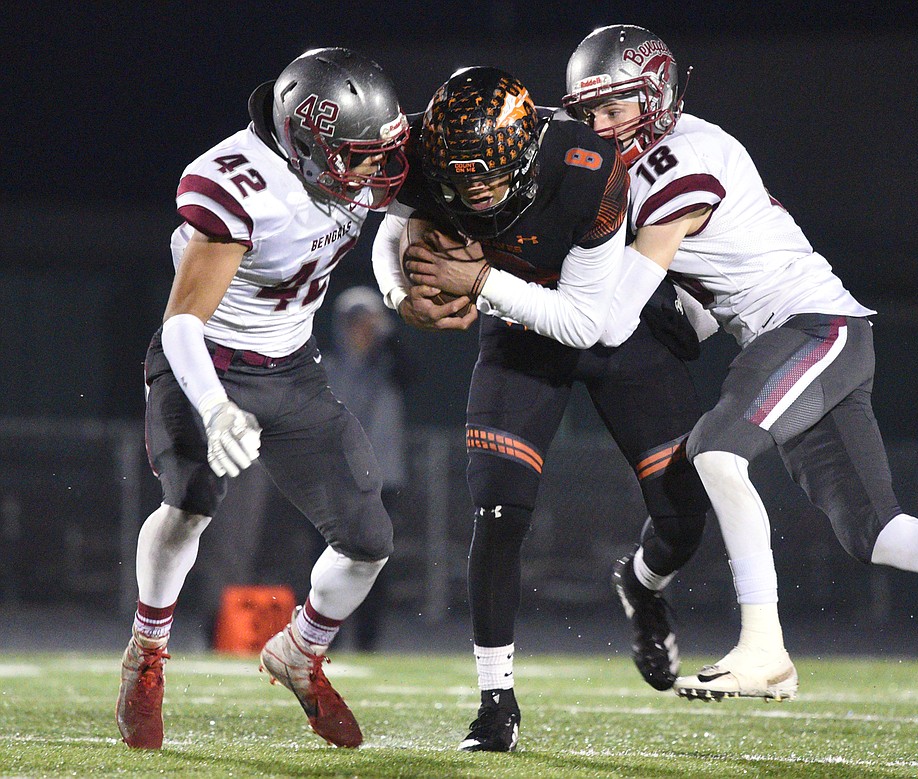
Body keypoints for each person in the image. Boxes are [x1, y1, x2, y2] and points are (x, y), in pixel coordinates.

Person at [559, 24, 918, 701]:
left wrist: (504, 286)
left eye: (615, 109)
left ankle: (764, 649)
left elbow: (611, 318)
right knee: (879, 531)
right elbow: (703, 293)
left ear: (658, 97)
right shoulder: (664, 159)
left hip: (816, 327)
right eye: (590, 113)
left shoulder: (679, 160)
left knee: (715, 451)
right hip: (809, 334)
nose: (602, 127)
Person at [372, 66, 711, 751]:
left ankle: (642, 585)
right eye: (460, 181)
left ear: (527, 152)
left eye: (490, 179)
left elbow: (587, 323)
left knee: (683, 518)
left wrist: (477, 278)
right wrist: (400, 297)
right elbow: (394, 232)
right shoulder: (419, 152)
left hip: (613, 320)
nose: (476, 194)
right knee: (498, 509)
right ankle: (496, 703)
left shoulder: (587, 168)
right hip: (518, 326)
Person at [115, 47, 410, 749]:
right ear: (307, 145)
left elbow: (407, 208)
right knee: (188, 506)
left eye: (381, 152)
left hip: (293, 368)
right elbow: (182, 322)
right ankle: (146, 652)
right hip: (207, 358)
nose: (375, 172)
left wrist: (401, 275)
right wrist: (215, 407)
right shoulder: (239, 185)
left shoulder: (362, 156)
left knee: (369, 539)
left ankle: (299, 652)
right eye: (358, 157)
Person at [321, 285, 418, 650]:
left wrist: (388, 334)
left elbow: (414, 372)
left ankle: (367, 641)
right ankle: (325, 636)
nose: (361, 330)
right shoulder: (327, 366)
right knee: (328, 559)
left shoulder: (391, 365)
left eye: (368, 323)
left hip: (382, 480)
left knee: (374, 562)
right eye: (355, 323)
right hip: (334, 480)